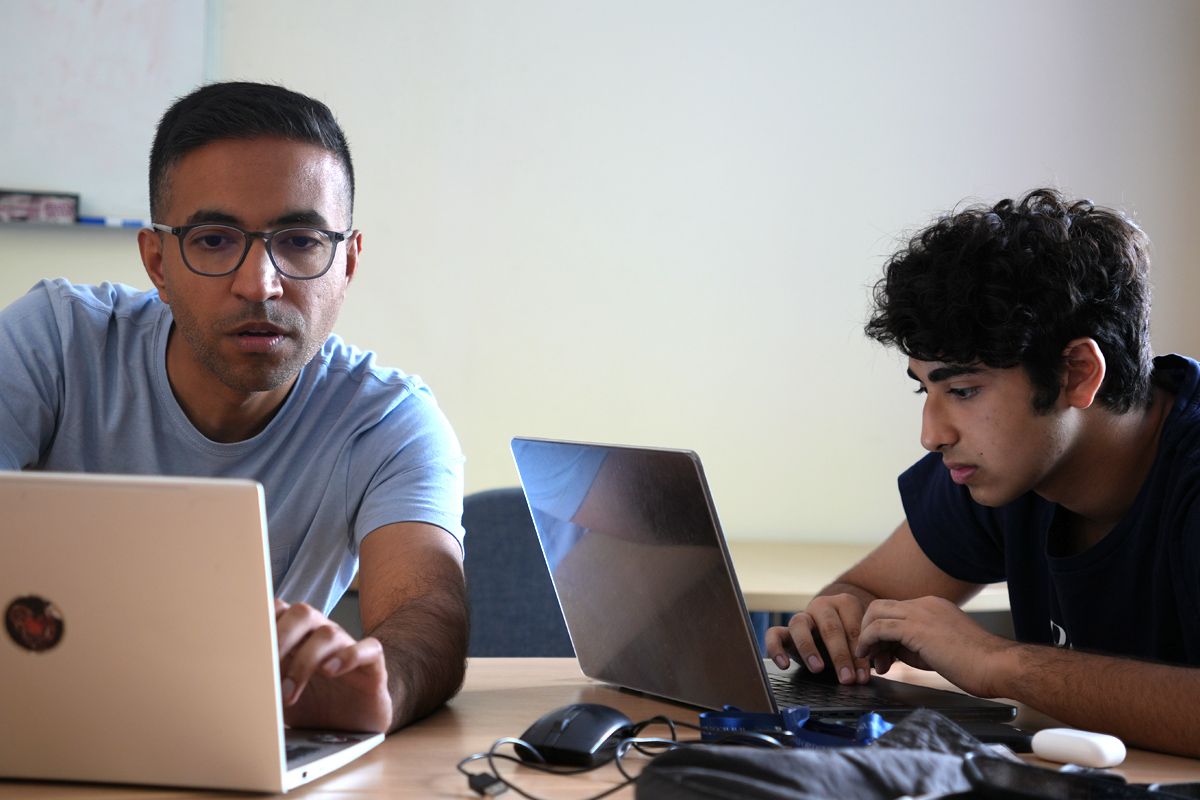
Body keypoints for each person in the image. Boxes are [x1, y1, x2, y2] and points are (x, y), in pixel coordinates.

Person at [0, 82, 467, 734]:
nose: (260, 284)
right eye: (215, 240)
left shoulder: (388, 422)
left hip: (246, 743)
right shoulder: (53, 341)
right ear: (158, 261)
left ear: (348, 264)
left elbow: (428, 614)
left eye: (301, 240)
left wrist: (380, 685)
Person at [765, 188, 1200, 757]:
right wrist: (837, 629)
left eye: (964, 390)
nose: (932, 434)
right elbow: (866, 593)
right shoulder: (1003, 466)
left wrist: (998, 662)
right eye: (926, 389)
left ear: (1077, 374)